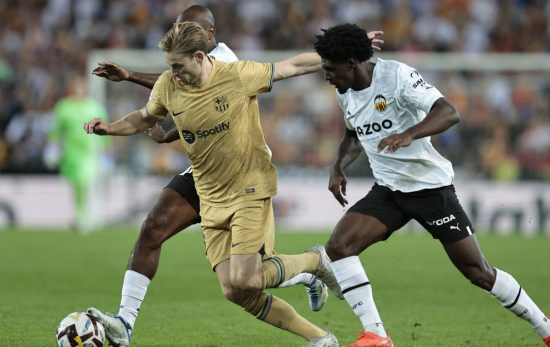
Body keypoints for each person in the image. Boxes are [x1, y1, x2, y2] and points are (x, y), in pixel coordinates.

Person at [313, 23, 550, 347]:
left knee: (478, 273)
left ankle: (547, 328)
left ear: (350, 62)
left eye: (329, 67)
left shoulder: (396, 77)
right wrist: (338, 165)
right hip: (389, 189)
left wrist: (410, 133)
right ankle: (377, 336)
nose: (326, 75)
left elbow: (448, 112)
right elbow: (353, 134)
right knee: (339, 247)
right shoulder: (344, 92)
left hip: (430, 189)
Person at [84, 21, 341, 347]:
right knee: (236, 291)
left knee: (248, 277)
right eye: (169, 66)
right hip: (210, 196)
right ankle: (321, 339)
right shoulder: (168, 84)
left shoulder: (236, 75)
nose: (173, 72)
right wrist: (110, 128)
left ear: (200, 56)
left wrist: (337, 54)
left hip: (249, 188)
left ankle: (315, 261)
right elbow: (145, 117)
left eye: (178, 65)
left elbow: (292, 66)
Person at [44, 75, 111, 234]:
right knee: (77, 186)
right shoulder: (64, 107)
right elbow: (55, 129)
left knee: (84, 183)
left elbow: (105, 130)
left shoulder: (94, 107)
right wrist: (51, 148)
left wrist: (106, 153)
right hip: (70, 153)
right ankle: (80, 216)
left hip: (89, 153)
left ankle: (84, 218)